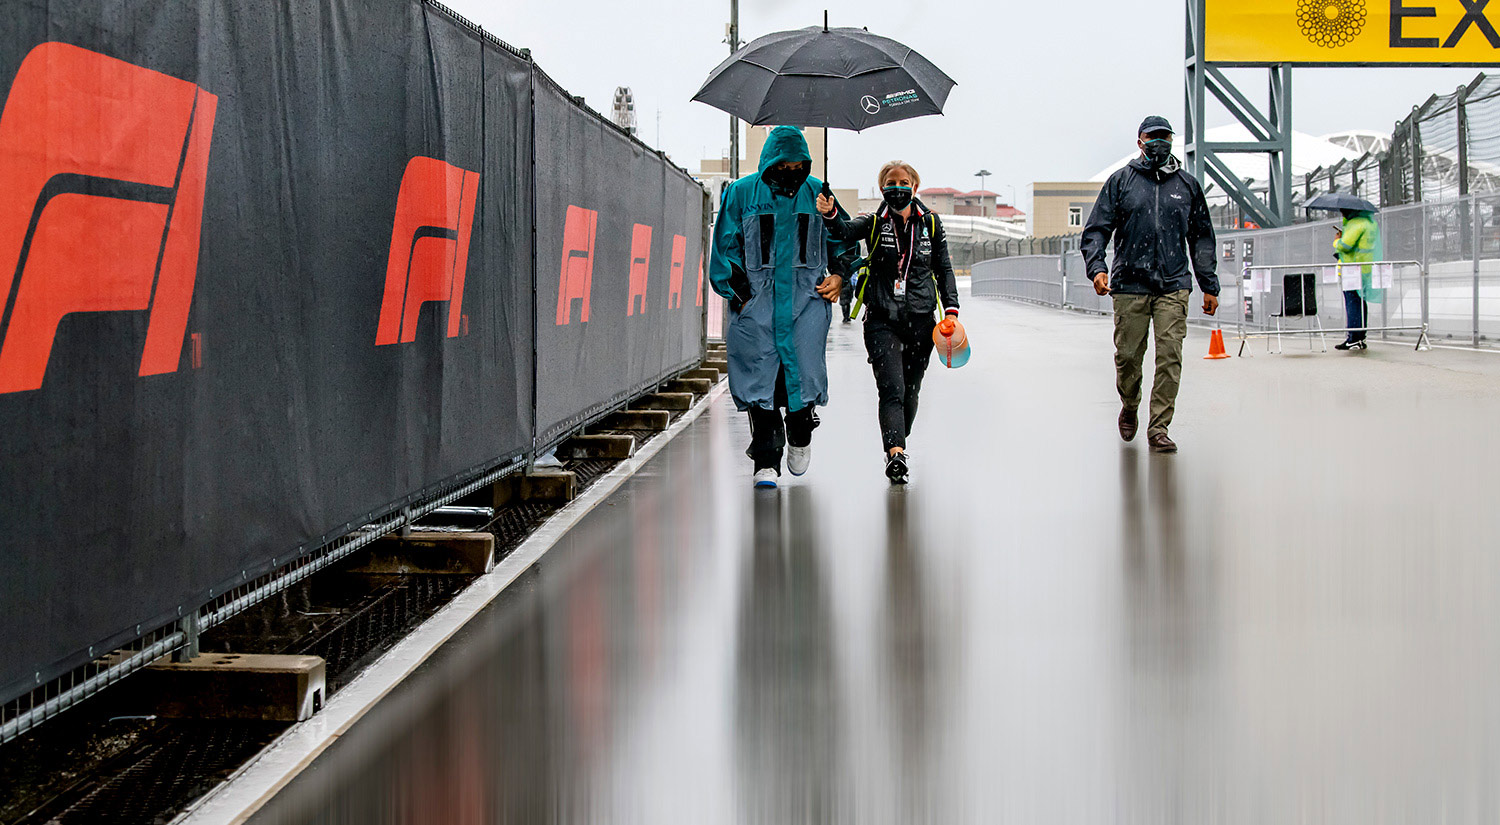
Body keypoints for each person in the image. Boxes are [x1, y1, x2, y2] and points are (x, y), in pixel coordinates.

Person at [710, 126, 846, 489]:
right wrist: (740, 294)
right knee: (759, 384)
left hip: (806, 308)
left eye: (797, 164)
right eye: (783, 163)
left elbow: (844, 242)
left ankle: (801, 434)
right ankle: (766, 459)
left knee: (800, 382)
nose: (790, 170)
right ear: (770, 160)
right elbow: (724, 249)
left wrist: (840, 277)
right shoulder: (741, 194)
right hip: (758, 311)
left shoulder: (819, 193)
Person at [1081, 116, 1219, 454]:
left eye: (1165, 136)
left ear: (1171, 140)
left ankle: (1159, 428)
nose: (1159, 142)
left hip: (1173, 284)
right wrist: (1097, 267)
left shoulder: (1187, 185)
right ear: (1140, 141)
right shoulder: (1121, 182)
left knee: (1169, 356)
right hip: (1130, 284)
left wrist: (1209, 284)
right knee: (1128, 357)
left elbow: (1201, 237)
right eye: (1153, 136)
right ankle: (1130, 404)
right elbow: (1097, 229)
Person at [818, 160, 959, 484]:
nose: (898, 188)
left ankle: (898, 436)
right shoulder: (873, 222)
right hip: (881, 319)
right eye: (891, 183)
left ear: (914, 186)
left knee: (910, 391)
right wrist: (829, 213)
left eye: (904, 182)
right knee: (891, 388)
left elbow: (945, 269)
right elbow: (843, 230)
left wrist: (951, 310)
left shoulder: (931, 224)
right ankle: (896, 453)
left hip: (922, 320)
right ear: (883, 189)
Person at [1333, 208, 1381, 351]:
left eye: (1343, 211)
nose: (1341, 213)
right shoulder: (1370, 223)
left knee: (1352, 303)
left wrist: (1337, 240)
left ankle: (1353, 338)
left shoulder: (1355, 224)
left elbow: (1345, 246)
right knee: (1360, 302)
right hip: (1365, 268)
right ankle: (1360, 337)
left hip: (1352, 269)